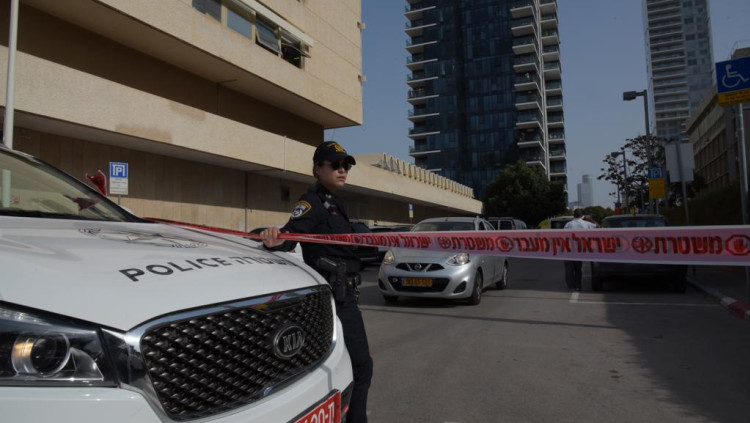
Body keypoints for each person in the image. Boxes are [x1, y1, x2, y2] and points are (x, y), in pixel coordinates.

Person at [260, 141, 373, 423]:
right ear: (317, 169)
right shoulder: (312, 203)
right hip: (335, 300)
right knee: (361, 367)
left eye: (345, 166)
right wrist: (275, 240)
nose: (342, 170)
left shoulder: (336, 203)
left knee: (348, 367)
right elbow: (291, 236)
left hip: (346, 294)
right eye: (335, 165)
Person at [563, 208, 597, 291]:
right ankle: (578, 285)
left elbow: (564, 236)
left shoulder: (568, 224)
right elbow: (598, 226)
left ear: (573, 215)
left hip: (569, 249)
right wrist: (590, 219)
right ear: (582, 215)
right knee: (578, 269)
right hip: (580, 249)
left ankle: (571, 286)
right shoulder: (587, 224)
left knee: (569, 269)